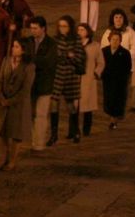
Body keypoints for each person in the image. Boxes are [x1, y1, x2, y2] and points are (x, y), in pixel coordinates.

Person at [0, 39, 35, 171]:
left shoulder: (29, 66)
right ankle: (5, 158)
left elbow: (25, 89)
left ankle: (12, 160)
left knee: (16, 134)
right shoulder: (6, 61)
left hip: (19, 105)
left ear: (24, 50)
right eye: (13, 46)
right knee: (3, 132)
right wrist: (1, 97)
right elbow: (0, 80)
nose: (13, 49)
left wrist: (10, 101)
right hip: (4, 102)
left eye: (17, 47)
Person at [48, 15, 85, 145]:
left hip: (70, 76)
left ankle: (75, 131)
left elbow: (78, 57)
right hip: (57, 75)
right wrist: (67, 55)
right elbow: (53, 57)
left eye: (65, 26)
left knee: (71, 106)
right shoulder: (55, 40)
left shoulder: (76, 40)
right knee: (53, 104)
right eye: (60, 26)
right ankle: (54, 134)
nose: (62, 28)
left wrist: (69, 57)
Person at [25, 16, 58, 152]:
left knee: (41, 114)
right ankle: (34, 140)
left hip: (45, 84)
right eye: (31, 28)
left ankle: (39, 143)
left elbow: (48, 62)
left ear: (43, 28)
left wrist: (32, 59)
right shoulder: (28, 42)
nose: (32, 31)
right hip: (30, 85)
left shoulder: (51, 44)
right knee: (31, 114)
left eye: (35, 28)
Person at [77, 23, 104, 136]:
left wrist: (95, 74)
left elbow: (101, 62)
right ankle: (74, 130)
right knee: (74, 106)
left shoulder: (95, 46)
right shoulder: (74, 45)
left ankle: (86, 130)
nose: (79, 32)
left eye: (82, 30)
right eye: (78, 30)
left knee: (88, 107)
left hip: (88, 80)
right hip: (76, 79)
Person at [101, 31, 132, 129]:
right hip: (107, 80)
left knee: (118, 100)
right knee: (109, 99)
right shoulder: (104, 51)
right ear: (109, 40)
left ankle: (114, 121)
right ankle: (112, 116)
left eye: (117, 40)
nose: (115, 41)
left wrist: (124, 78)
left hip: (120, 81)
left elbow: (128, 67)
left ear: (120, 41)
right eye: (113, 39)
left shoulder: (125, 53)